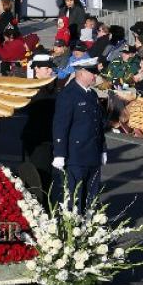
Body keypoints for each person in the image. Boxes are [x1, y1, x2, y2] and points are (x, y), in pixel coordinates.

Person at [52, 58, 107, 211]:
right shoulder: (68, 95)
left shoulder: (92, 95)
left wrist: (102, 149)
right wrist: (59, 153)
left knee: (92, 198)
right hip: (75, 156)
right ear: (81, 72)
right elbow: (60, 126)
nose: (95, 76)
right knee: (75, 199)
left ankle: (89, 228)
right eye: (92, 73)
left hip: (93, 154)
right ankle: (74, 230)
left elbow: (98, 125)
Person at [20, 55, 60, 203]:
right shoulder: (35, 88)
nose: (50, 71)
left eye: (49, 68)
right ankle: (38, 207)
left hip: (46, 139)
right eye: (45, 68)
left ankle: (43, 206)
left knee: (45, 178)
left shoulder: (51, 86)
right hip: (36, 138)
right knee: (35, 177)